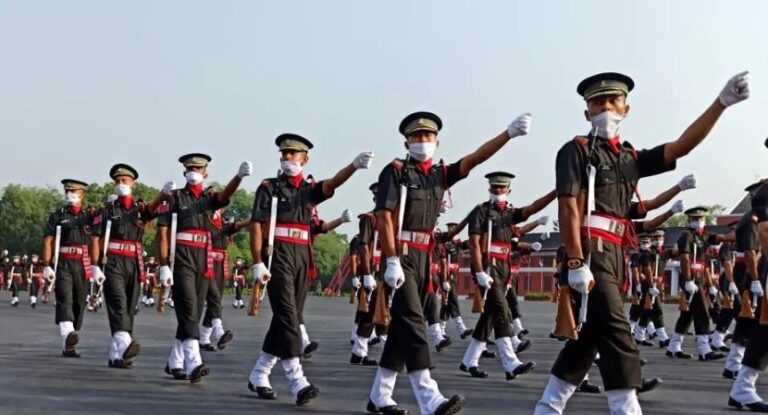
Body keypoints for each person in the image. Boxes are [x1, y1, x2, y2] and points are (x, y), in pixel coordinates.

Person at [534, 70, 750, 415]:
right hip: (591, 251)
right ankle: (626, 408)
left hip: (616, 252)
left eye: (613, 100)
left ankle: (548, 407)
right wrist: (575, 261)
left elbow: (681, 145)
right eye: (597, 103)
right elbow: (568, 207)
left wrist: (720, 104)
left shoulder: (628, 158)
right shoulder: (576, 151)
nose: (606, 107)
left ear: (626, 108)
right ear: (587, 112)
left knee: (588, 339)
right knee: (617, 331)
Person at [367, 110, 532, 415]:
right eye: (416, 136)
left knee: (403, 328)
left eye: (428, 136)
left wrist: (507, 134)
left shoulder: (439, 174)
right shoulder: (396, 172)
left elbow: (476, 158)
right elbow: (384, 217)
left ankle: (380, 395)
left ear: (437, 142)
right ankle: (430, 399)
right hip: (401, 253)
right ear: (406, 142)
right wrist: (391, 259)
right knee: (413, 322)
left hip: (424, 256)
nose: (422, 140)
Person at [247, 133, 373, 406]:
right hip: (278, 253)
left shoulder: (308, 190)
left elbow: (332, 183)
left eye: (292, 154)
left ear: (305, 159)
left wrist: (353, 166)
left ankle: (259, 373)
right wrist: (257, 261)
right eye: (284, 154)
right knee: (289, 317)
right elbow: (256, 225)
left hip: (302, 256)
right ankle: (297, 381)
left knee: (286, 317)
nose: (287, 158)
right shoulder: (269, 187)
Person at [157, 153, 252, 383]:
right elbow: (162, 232)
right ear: (184, 172)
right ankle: (194, 362)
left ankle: (174, 361)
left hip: (203, 258)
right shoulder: (174, 197)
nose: (194, 172)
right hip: (182, 257)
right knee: (189, 308)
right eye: (190, 168)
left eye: (198, 169)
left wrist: (238, 177)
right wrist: (164, 265)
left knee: (194, 312)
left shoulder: (209, 199)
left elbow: (224, 196)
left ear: (205, 173)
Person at [460, 172, 554, 380]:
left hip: (504, 267)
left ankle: (469, 360)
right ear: (489, 188)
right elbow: (474, 244)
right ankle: (510, 363)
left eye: (502, 187)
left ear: (508, 190)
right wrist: (479, 271)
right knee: (502, 310)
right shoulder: (481, 211)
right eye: (495, 187)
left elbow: (531, 209)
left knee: (489, 316)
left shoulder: (509, 213)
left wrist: (556, 192)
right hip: (489, 266)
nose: (498, 190)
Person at [91, 163, 164, 368]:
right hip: (112, 260)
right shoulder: (107, 209)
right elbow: (95, 239)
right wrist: (95, 265)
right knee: (118, 302)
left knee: (130, 307)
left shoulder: (140, 209)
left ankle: (117, 354)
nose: (120, 184)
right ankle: (125, 343)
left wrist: (163, 194)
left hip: (134, 261)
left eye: (124, 180)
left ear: (133, 184)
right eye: (117, 181)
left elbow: (153, 209)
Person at [667, 206, 733, 361]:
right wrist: (688, 281)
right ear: (689, 220)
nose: (699, 221)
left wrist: (741, 232)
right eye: (695, 219)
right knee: (702, 311)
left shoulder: (704, 236)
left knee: (687, 314)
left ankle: (673, 346)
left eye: (701, 218)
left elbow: (722, 238)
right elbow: (685, 259)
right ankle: (704, 349)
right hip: (691, 279)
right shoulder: (687, 236)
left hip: (700, 278)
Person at [42, 179, 98, 357]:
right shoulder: (58, 215)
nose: (69, 195)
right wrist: (47, 265)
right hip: (64, 261)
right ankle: (67, 334)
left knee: (79, 302)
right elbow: (48, 241)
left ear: (82, 194)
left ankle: (70, 340)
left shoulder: (89, 216)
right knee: (64, 297)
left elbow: (96, 240)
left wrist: (96, 265)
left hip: (83, 262)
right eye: (67, 191)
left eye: (73, 191)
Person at [728, 175, 768, 411]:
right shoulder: (765, 195)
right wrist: (755, 279)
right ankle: (742, 386)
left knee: (763, 329)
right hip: (760, 272)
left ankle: (742, 387)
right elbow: (765, 232)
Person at [199, 210, 249, 352]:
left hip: (220, 265)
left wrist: (253, 220)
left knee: (216, 300)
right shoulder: (204, 220)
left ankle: (204, 338)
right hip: (207, 263)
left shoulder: (223, 223)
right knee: (214, 298)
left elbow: (235, 226)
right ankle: (218, 332)